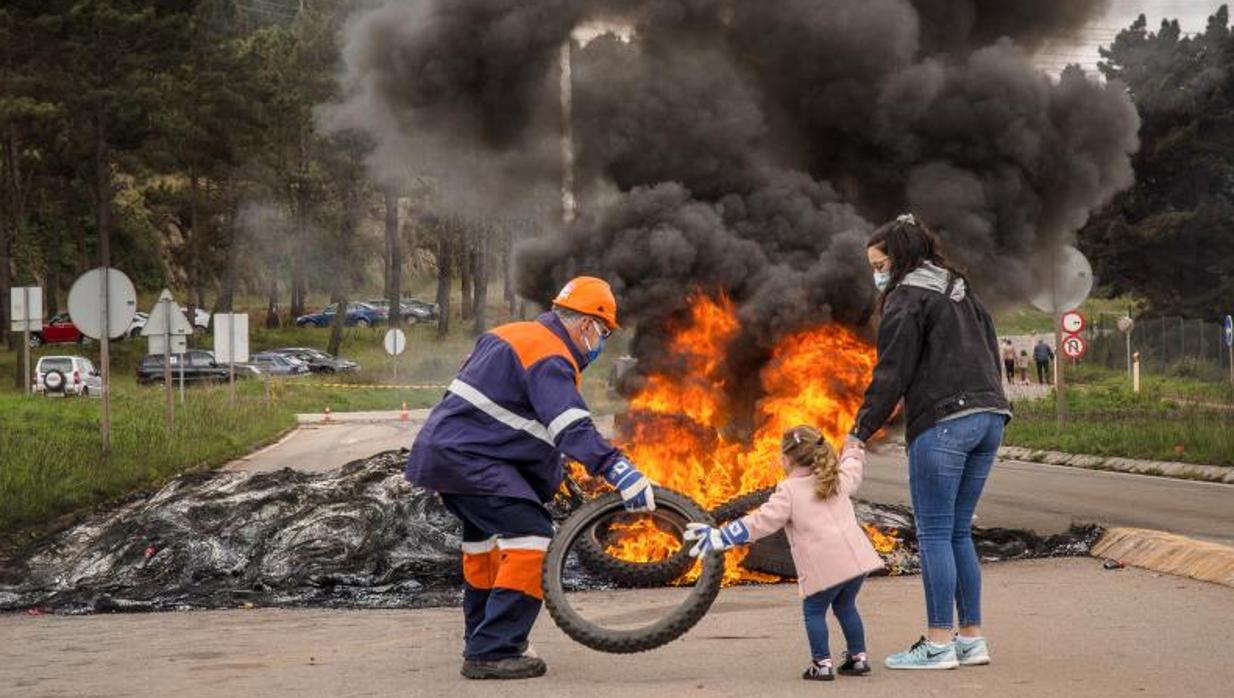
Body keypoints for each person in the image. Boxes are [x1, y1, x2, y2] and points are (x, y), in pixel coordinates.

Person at [405, 276, 656, 680]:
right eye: (604, 332)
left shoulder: (511, 334)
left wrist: (547, 477)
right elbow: (569, 425)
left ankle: (481, 639)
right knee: (533, 536)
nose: (601, 342)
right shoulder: (551, 354)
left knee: (484, 545)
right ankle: (496, 649)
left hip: (448, 455)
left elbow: (512, 416)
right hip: (474, 460)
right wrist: (619, 469)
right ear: (587, 324)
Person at [847, 213, 1010, 670]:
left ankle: (938, 643)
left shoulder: (907, 298)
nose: (876, 273)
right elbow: (991, 352)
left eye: (878, 263)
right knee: (959, 532)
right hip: (990, 417)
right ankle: (971, 639)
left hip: (944, 421)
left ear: (896, 259)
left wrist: (859, 431)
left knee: (935, 532)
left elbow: (892, 373)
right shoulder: (960, 290)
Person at [684, 426, 883, 682]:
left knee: (814, 611)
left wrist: (722, 536)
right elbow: (852, 467)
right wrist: (854, 448)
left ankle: (821, 664)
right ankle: (858, 659)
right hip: (856, 562)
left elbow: (761, 521)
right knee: (846, 606)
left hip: (825, 567)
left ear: (786, 459)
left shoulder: (789, 491)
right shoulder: (835, 478)